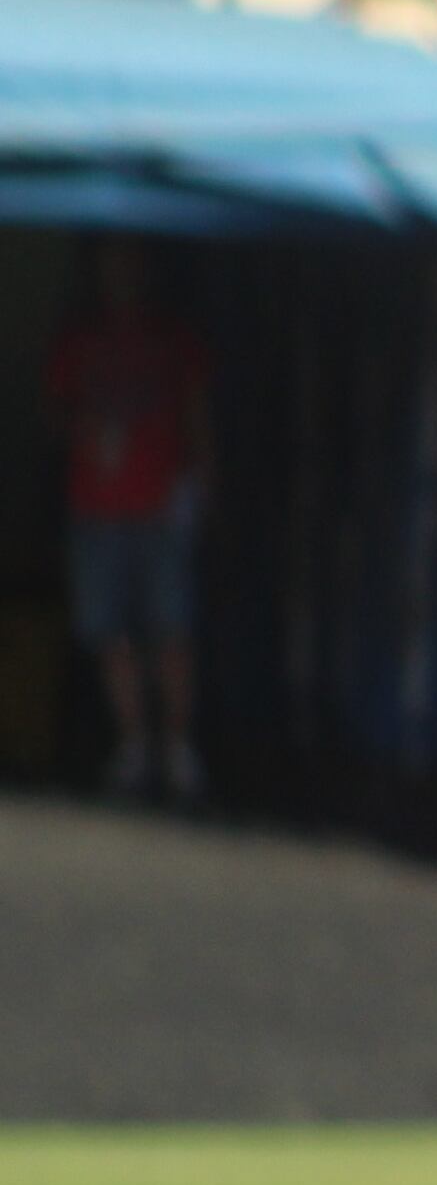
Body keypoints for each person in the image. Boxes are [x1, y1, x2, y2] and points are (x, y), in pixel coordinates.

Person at [51, 239, 213, 802]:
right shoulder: (80, 342)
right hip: (97, 506)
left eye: (131, 265)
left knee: (171, 629)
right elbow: (61, 414)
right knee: (110, 633)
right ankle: (134, 745)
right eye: (112, 266)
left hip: (161, 505)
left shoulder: (173, 340)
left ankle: (178, 748)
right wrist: (92, 437)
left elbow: (196, 414)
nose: (122, 276)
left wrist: (201, 487)